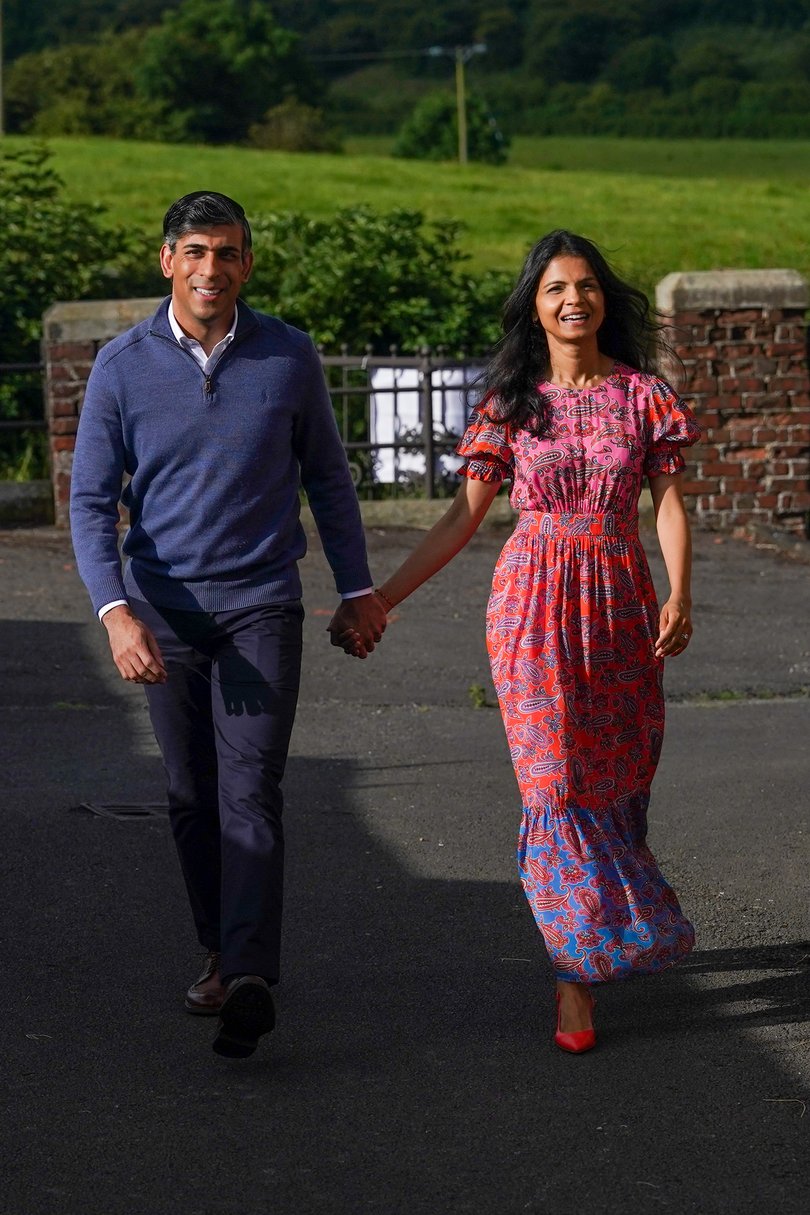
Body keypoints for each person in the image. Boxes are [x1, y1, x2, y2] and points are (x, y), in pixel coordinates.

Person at [334, 230, 699, 1053]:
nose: (575, 299)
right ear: (534, 308)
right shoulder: (511, 403)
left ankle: (601, 931)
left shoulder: (645, 396)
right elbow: (464, 514)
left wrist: (681, 590)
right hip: (532, 602)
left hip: (618, 598)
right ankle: (574, 977)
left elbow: (668, 501)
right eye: (556, 288)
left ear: (606, 297)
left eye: (587, 285)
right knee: (554, 781)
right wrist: (383, 597)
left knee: (617, 775)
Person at [70, 191, 387, 1058]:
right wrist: (115, 614)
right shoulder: (121, 364)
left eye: (231, 252)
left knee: (251, 792)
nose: (214, 268)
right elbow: (92, 503)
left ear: (248, 263)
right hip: (163, 616)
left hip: (259, 605)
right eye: (198, 251)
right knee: (190, 795)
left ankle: (248, 974)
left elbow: (328, 477)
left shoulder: (289, 355)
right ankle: (218, 946)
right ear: (167, 259)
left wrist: (357, 589)